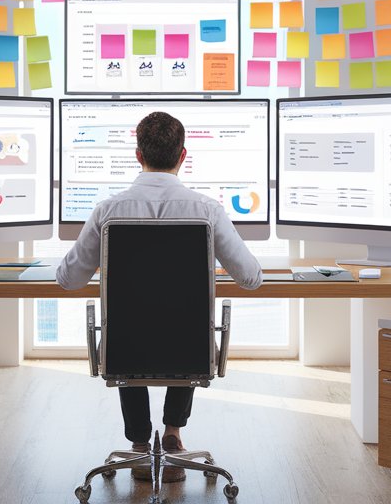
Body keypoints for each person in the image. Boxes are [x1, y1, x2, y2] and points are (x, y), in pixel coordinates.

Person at [56, 111, 262, 481]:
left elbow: (69, 280)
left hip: (125, 349)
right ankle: (172, 434)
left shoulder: (108, 211)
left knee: (125, 325)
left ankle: (137, 445)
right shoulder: (207, 211)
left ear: (138, 156)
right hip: (190, 349)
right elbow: (250, 278)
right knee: (186, 324)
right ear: (183, 156)